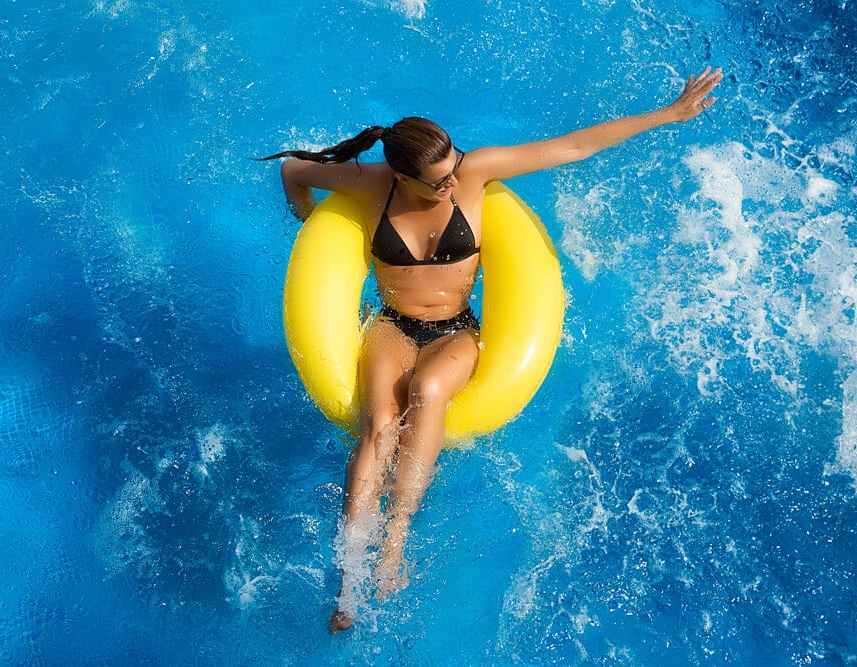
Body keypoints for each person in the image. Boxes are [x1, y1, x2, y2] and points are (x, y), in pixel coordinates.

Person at [262, 66, 723, 633]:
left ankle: (394, 547)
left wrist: (666, 114)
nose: (451, 183)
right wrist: (310, 224)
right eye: (437, 181)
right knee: (380, 424)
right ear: (403, 178)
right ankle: (348, 584)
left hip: (456, 330)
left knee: (428, 390)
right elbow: (293, 171)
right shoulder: (372, 184)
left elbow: (571, 146)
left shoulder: (472, 173)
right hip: (391, 324)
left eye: (452, 166)